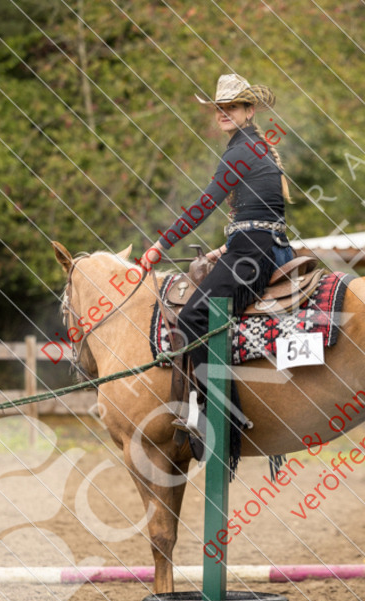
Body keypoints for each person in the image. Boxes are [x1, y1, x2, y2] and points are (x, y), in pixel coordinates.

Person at [140, 73, 294, 438]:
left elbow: (204, 205)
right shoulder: (256, 147)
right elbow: (264, 214)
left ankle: (219, 413)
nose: (224, 113)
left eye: (232, 107)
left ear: (249, 110)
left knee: (193, 316)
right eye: (219, 108)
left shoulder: (241, 151)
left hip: (252, 254)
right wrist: (225, 247)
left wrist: (160, 246)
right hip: (260, 246)